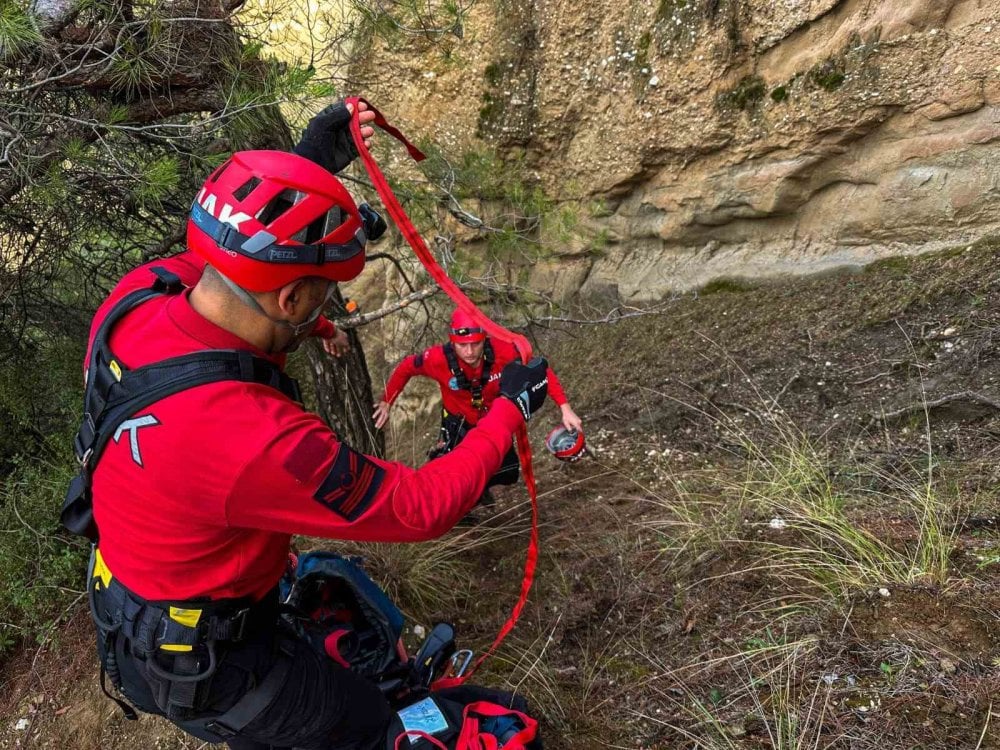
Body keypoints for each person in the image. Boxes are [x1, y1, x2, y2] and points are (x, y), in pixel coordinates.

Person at [68, 100, 550, 750]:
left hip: (136, 609)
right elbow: (421, 507)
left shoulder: (135, 299)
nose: (324, 308)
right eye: (320, 295)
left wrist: (306, 164)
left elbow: (230, 265)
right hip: (215, 667)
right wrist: (507, 409)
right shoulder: (251, 436)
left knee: (332, 589)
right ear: (290, 297)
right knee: (369, 728)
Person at [373, 309, 582, 489]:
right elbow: (406, 368)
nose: (470, 352)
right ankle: (462, 504)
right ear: (452, 342)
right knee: (458, 477)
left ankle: (479, 491)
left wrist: (565, 407)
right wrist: (386, 401)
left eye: (475, 344)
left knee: (508, 473)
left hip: (493, 422)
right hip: (458, 424)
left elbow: (539, 371)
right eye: (462, 345)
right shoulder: (437, 359)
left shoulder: (504, 350)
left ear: (484, 339)